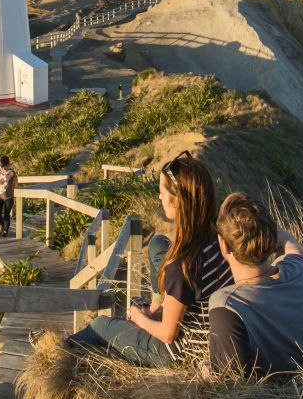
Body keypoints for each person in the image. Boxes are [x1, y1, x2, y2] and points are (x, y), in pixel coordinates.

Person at [65, 155, 232, 366]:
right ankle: (157, 306)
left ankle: (58, 352)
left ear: (177, 200)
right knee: (158, 244)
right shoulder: (220, 235)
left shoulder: (181, 267)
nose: (160, 197)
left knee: (99, 325)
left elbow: (168, 335)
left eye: (162, 193)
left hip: (182, 352)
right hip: (209, 327)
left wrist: (138, 318)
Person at [205, 192, 303, 378]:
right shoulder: (298, 267)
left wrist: (206, 374)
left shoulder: (227, 303)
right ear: (270, 236)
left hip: (290, 394)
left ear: (225, 246)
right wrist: (271, 234)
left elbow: (230, 381)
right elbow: (290, 242)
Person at [0, 155, 18, 236]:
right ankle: (1, 225)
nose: (2, 167)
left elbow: (16, 184)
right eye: (0, 165)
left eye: (3, 166)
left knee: (6, 215)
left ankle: (5, 231)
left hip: (9, 197)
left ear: (8, 164)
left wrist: (12, 192)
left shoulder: (12, 173)